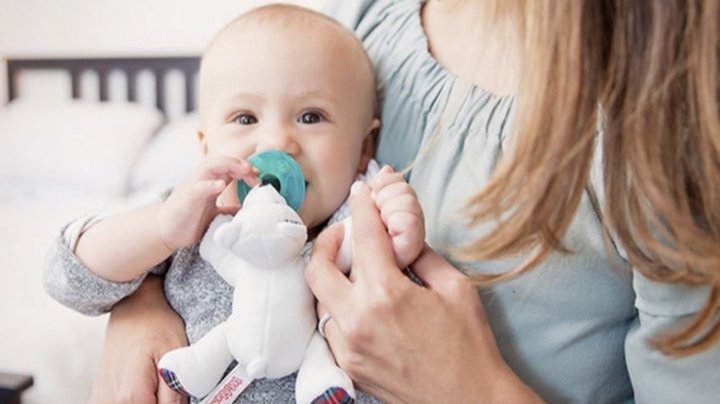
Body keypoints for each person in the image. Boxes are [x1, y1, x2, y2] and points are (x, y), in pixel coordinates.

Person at [84, 0, 720, 403]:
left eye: (306, 117)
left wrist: (471, 390)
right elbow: (201, 213)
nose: (279, 139)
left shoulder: (675, 126)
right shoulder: (368, 21)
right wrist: (142, 298)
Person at [42, 4, 426, 404]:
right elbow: (67, 278)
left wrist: (400, 243)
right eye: (245, 118)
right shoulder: (196, 213)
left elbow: (408, 328)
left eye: (311, 117)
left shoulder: (362, 223)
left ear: (363, 147)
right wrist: (160, 229)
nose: (276, 142)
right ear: (206, 145)